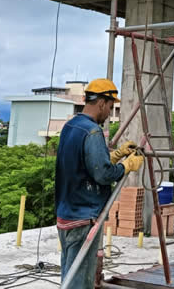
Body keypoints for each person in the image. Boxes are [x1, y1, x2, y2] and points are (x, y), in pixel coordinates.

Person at [55, 79, 144, 288]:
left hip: (66, 213)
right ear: (102, 103)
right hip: (84, 215)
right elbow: (102, 175)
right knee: (79, 280)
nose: (109, 112)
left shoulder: (71, 126)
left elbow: (84, 165)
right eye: (111, 106)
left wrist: (116, 155)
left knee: (70, 272)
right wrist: (126, 166)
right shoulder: (93, 131)